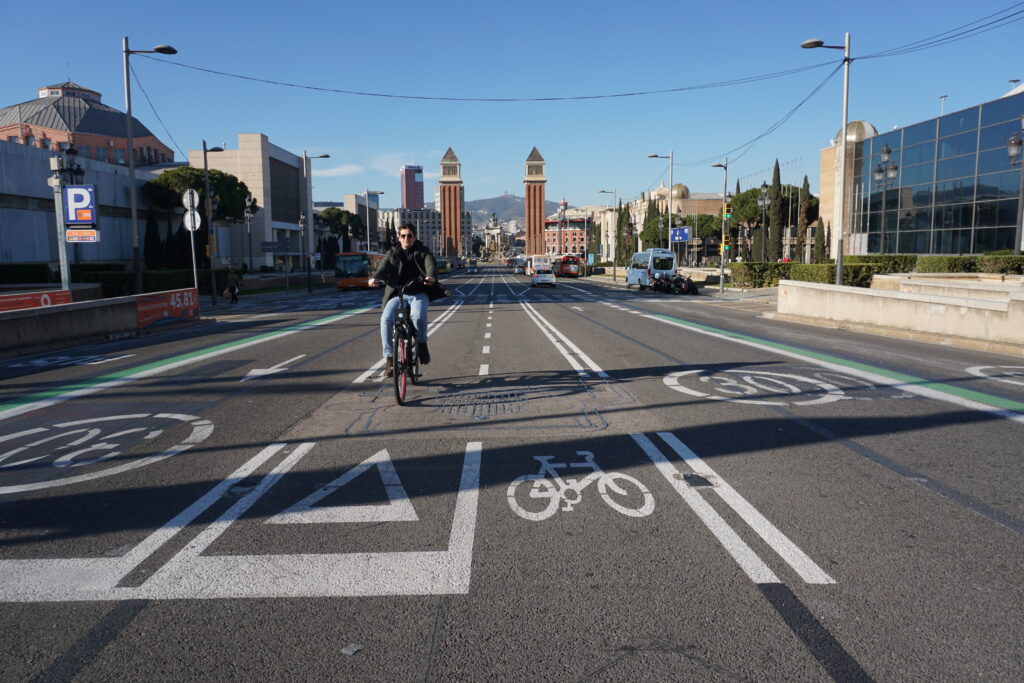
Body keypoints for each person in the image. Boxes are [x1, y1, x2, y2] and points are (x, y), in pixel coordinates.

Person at [367, 224, 437, 378]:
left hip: (418, 293)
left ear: (414, 237)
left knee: (418, 315)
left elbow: (430, 264)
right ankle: (390, 359)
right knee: (386, 320)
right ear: (399, 238)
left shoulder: (423, 251)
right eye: (403, 236)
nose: (406, 238)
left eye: (410, 235)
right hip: (397, 293)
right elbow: (382, 268)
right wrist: (375, 278)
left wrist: (430, 276)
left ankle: (422, 343)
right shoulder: (392, 253)